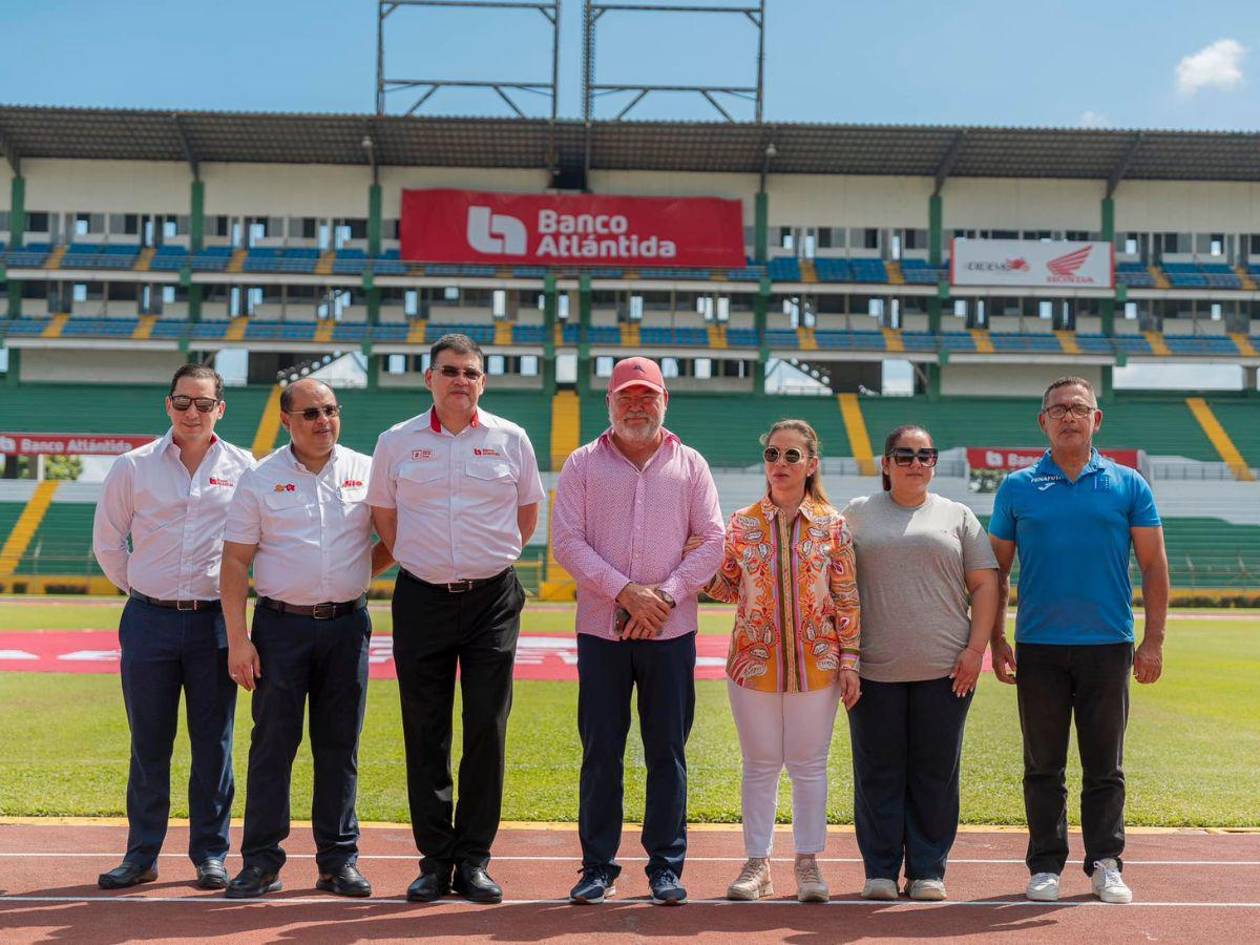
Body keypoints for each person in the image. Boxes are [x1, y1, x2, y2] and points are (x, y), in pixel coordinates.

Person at [366, 333, 545, 905]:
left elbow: (526, 515)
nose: (460, 381)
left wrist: (483, 563)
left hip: (492, 598)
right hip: (421, 597)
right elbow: (385, 520)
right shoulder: (395, 442)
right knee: (425, 730)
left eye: (470, 372)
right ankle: (433, 860)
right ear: (429, 379)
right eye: (449, 371)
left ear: (482, 381)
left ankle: (473, 861)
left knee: (487, 730)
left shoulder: (510, 439)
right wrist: (428, 563)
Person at [551, 356, 725, 907]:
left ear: (664, 400)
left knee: (666, 751)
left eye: (646, 396)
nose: (636, 405)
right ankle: (597, 866)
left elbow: (714, 540)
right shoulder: (582, 463)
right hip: (602, 630)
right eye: (626, 396)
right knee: (601, 750)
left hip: (671, 633)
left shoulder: (691, 464)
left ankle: (665, 868)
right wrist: (627, 592)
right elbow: (567, 543)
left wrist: (665, 596)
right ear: (609, 403)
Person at [988, 376, 1169, 905]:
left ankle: (1106, 862)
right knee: (1042, 764)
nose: (1069, 415)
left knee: (1104, 765)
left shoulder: (1128, 484)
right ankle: (1045, 865)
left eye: (1079, 407)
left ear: (1097, 419)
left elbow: (1154, 566)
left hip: (1107, 645)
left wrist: (1152, 640)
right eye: (1058, 408)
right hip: (1039, 646)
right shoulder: (1018, 487)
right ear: (1042, 421)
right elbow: (995, 570)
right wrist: (997, 638)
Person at [219, 378, 394, 899]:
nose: (324, 421)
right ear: (286, 421)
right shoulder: (260, 477)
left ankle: (338, 862)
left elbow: (394, 540)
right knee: (273, 745)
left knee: (339, 747)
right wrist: (238, 639)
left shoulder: (367, 470)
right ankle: (261, 862)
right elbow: (234, 560)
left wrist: (359, 570)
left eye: (331, 411)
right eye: (312, 413)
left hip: (347, 626)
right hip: (280, 628)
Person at [91, 363, 255, 891]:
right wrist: (145, 590)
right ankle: (141, 855)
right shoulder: (133, 466)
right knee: (149, 744)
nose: (192, 413)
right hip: (148, 621)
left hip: (213, 623)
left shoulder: (246, 468)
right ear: (168, 405)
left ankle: (210, 855)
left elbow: (255, 548)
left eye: (203, 404)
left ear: (219, 409)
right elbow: (109, 544)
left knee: (215, 745)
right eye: (183, 402)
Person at [699, 419, 860, 904]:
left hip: (819, 662)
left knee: (809, 765)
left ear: (812, 464)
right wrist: (698, 555)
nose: (781, 464)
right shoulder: (741, 524)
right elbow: (725, 588)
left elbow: (847, 598)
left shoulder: (833, 525)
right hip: (752, 661)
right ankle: (757, 864)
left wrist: (850, 659)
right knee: (760, 764)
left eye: (792, 456)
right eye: (773, 454)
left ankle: (808, 862)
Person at [841, 425, 998, 902]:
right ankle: (881, 871)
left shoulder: (958, 514)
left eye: (925, 454)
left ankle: (929, 868)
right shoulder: (857, 515)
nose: (915, 462)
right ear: (886, 464)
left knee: (935, 772)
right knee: (877, 772)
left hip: (946, 670)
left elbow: (986, 585)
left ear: (933, 462)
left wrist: (975, 653)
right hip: (874, 670)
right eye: (903, 455)